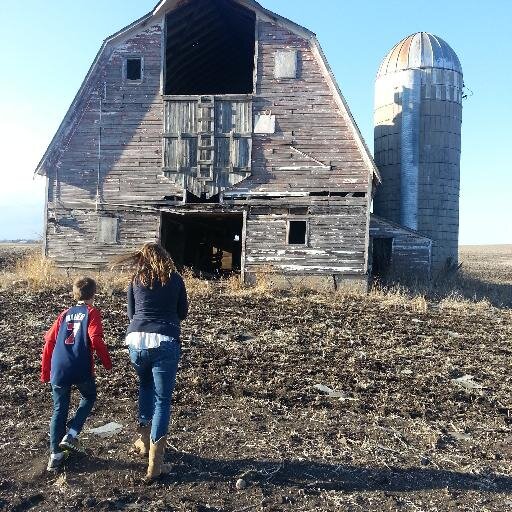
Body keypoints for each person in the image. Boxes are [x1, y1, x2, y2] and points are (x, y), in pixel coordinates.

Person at [123, 242, 188, 481]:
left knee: (145, 387)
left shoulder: (135, 279)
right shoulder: (175, 278)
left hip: (136, 340)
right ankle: (155, 465)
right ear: (165, 257)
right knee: (163, 400)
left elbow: (131, 314)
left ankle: (142, 441)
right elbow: (183, 312)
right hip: (164, 339)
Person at [41, 277, 112, 471]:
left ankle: (55, 455)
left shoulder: (64, 314)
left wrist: (45, 371)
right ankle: (71, 434)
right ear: (94, 294)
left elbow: (49, 342)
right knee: (89, 397)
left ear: (75, 293)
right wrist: (107, 362)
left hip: (59, 367)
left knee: (59, 409)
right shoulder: (91, 313)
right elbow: (95, 338)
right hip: (80, 366)